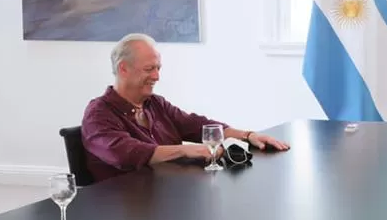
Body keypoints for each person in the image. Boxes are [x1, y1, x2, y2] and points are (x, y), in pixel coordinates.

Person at [81, 33, 290, 181]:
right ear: (123, 68)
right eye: (149, 69)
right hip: (121, 213)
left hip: (162, 198)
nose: (156, 76)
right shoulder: (98, 113)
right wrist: (185, 150)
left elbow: (197, 126)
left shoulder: (155, 103)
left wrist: (247, 135)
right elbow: (126, 154)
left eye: (158, 68)